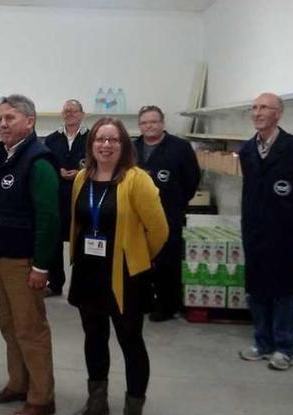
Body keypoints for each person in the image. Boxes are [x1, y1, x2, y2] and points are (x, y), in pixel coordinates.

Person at [67, 117, 168, 415]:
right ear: (92, 143)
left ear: (124, 145)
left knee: (130, 342)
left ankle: (133, 406)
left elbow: (159, 230)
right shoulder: (81, 178)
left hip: (125, 276)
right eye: (100, 139)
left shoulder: (137, 180)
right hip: (88, 272)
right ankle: (97, 402)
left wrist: (137, 255)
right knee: (94, 339)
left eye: (113, 140)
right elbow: (78, 223)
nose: (106, 145)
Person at [0, 94, 59, 415]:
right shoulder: (7, 156)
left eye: (10, 118)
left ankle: (42, 398)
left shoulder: (39, 161)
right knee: (10, 325)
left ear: (30, 122)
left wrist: (41, 266)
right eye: (0, 118)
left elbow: (49, 218)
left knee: (30, 328)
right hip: (1, 255)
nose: (3, 124)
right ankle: (18, 383)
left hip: (24, 261)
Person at [238, 93, 293, 371]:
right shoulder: (247, 150)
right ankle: (263, 343)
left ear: (278, 114)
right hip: (254, 230)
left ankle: (285, 347)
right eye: (255, 108)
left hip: (285, 232)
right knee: (257, 288)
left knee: (284, 290)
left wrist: (291, 218)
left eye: (264, 108)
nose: (257, 113)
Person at [133, 105, 200, 321]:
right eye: (144, 122)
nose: (149, 126)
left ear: (162, 123)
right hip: (137, 216)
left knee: (167, 261)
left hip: (168, 213)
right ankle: (144, 301)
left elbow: (192, 180)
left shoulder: (180, 148)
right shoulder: (132, 148)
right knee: (139, 260)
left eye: (153, 121)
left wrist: (178, 202)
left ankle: (167, 305)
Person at [43, 99, 88, 297]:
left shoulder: (92, 138)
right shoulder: (52, 139)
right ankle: (55, 283)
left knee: (82, 241)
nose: (70, 114)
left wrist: (81, 172)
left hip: (83, 196)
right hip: (57, 195)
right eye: (66, 111)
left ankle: (82, 285)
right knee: (54, 241)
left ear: (82, 114)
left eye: (74, 111)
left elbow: (97, 164)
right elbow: (46, 163)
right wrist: (57, 170)